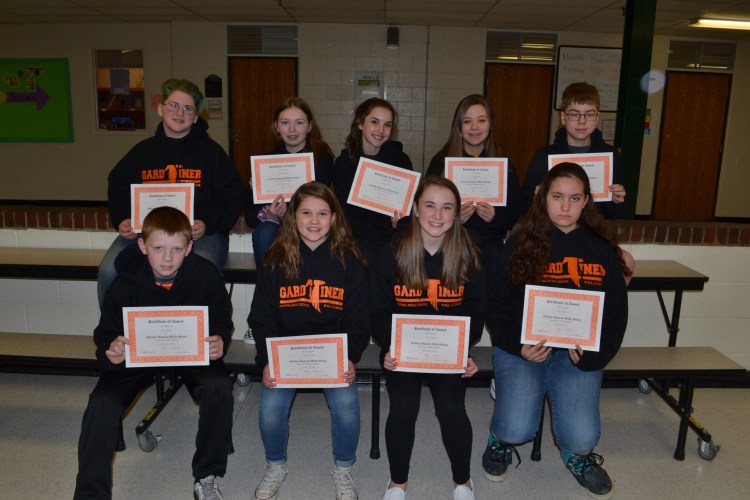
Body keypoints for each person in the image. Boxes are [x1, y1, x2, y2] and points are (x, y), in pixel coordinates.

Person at [482, 163, 629, 499]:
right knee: (517, 428)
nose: (565, 206)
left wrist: (595, 354)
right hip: (523, 351)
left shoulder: (602, 249)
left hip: (576, 356)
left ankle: (576, 456)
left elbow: (616, 315)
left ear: (587, 201)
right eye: (557, 196)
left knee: (581, 436)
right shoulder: (519, 243)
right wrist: (518, 346)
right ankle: (498, 439)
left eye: (575, 198)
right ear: (542, 198)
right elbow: (496, 306)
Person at [74, 206, 234, 500]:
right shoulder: (124, 283)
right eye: (158, 248)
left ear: (189, 248)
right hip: (138, 355)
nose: (168, 257)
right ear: (142, 246)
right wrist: (111, 349)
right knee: (101, 402)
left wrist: (220, 339)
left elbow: (222, 319)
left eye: (176, 248)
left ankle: (206, 475)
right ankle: (90, 494)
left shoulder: (205, 275)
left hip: (190, 353)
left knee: (219, 386)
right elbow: (105, 331)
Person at [247, 182, 370, 500]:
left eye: (322, 213)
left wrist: (351, 356)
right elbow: (260, 317)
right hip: (286, 354)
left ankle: (343, 469)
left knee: (345, 403)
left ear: (334, 218)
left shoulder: (349, 261)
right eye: (305, 212)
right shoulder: (275, 258)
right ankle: (275, 465)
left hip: (333, 353)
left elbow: (359, 318)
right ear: (292, 216)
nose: (314, 221)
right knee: (271, 407)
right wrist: (266, 360)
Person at [371, 176, 486, 500]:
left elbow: (477, 310)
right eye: (430, 206)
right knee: (404, 406)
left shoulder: (469, 254)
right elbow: (377, 310)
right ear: (416, 210)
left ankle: (463, 481)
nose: (438, 215)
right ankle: (397, 482)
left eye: (447, 207)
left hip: (447, 352)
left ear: (456, 213)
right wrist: (388, 346)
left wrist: (464, 350)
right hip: (403, 351)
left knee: (451, 406)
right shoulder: (390, 253)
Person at [98, 78, 245, 307]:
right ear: (160, 109)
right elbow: (117, 185)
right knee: (109, 270)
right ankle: (116, 337)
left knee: (201, 271)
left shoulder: (211, 153)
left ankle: (197, 336)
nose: (180, 112)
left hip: (200, 235)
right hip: (147, 232)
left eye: (188, 108)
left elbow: (233, 193)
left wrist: (207, 222)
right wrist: (123, 217)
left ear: (196, 117)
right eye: (173, 105)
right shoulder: (141, 153)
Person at [425, 94, 522, 264]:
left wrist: (495, 216)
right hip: (449, 242)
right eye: (467, 121)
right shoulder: (441, 162)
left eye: (481, 120)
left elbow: (516, 211)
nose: (474, 127)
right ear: (459, 126)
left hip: (491, 245)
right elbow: (426, 206)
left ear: (490, 124)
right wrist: (454, 217)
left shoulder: (504, 164)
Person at [245, 97, 336, 267]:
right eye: (285, 122)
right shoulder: (264, 163)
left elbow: (322, 207)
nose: (292, 129)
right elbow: (250, 215)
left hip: (311, 225)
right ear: (276, 127)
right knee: (264, 232)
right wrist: (271, 215)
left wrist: (287, 215)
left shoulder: (322, 160)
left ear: (309, 126)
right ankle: (267, 289)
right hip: (276, 229)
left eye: (299, 123)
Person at [521, 82, 626, 219]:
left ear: (597, 117)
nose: (582, 121)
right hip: (552, 234)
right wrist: (536, 198)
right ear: (563, 118)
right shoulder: (544, 157)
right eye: (574, 114)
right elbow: (523, 206)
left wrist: (617, 201)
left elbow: (616, 213)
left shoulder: (611, 157)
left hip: (594, 234)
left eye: (589, 114)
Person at [332, 97, 413, 262]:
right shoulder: (344, 163)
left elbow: (409, 205)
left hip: (392, 234)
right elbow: (344, 212)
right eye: (375, 122)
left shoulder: (401, 160)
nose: (381, 130)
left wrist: (402, 220)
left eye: (387, 124)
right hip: (356, 235)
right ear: (360, 123)